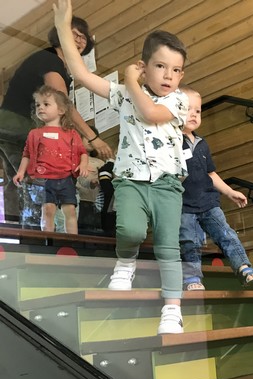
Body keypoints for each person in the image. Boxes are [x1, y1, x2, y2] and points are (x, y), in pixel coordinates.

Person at [54, 0, 189, 335]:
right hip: (130, 180)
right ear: (144, 67)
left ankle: (172, 309)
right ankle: (126, 262)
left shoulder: (179, 100)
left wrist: (130, 81)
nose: (168, 75)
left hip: (167, 184)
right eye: (161, 66)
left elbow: (150, 114)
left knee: (168, 246)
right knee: (130, 231)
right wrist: (62, 27)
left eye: (176, 70)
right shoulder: (124, 93)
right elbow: (81, 74)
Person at [0, 14, 112, 225]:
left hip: (8, 126)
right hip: (19, 126)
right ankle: (39, 234)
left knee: (16, 182)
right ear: (59, 35)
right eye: (74, 34)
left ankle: (17, 230)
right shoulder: (50, 59)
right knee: (38, 182)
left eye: (83, 38)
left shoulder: (50, 61)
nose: (79, 40)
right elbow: (63, 102)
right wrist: (93, 138)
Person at [179, 86, 253, 290]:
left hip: (209, 202)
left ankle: (244, 268)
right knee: (189, 241)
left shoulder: (202, 143)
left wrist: (229, 192)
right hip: (184, 205)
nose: (193, 114)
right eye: (187, 109)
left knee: (226, 234)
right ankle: (192, 279)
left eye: (197, 111)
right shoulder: (170, 142)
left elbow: (211, 173)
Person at [13, 85, 88, 234]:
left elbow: (82, 152)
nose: (40, 107)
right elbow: (27, 154)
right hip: (43, 179)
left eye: (46, 104)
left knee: (70, 210)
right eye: (38, 105)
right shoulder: (34, 133)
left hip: (66, 177)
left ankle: (72, 241)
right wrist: (20, 172)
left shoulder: (72, 134)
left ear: (61, 110)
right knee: (47, 210)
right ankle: (48, 240)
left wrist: (84, 165)